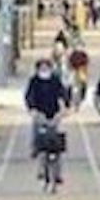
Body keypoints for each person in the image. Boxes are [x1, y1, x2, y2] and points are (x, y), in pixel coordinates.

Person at [25, 58, 70, 186]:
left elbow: (62, 94)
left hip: (54, 114)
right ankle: (40, 166)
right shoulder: (34, 81)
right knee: (40, 141)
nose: (44, 69)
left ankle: (58, 173)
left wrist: (64, 109)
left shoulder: (55, 80)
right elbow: (29, 96)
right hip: (40, 114)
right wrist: (32, 110)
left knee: (57, 144)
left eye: (46, 67)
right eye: (41, 67)